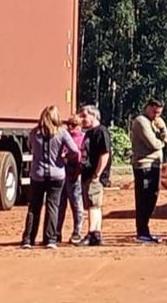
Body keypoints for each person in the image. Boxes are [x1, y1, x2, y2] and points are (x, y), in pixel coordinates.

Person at [21, 105, 79, 249]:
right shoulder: (62, 133)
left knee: (34, 207)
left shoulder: (34, 133)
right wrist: (64, 157)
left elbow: (30, 146)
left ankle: (28, 239)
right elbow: (75, 150)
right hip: (57, 174)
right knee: (53, 206)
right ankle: (50, 239)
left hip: (38, 174)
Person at [129, 99, 167, 243]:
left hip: (155, 165)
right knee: (144, 199)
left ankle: (145, 230)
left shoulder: (158, 122)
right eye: (154, 112)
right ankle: (141, 231)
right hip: (144, 165)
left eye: (159, 113)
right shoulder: (141, 121)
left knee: (152, 197)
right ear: (147, 107)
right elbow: (153, 144)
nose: (156, 115)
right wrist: (162, 142)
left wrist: (163, 130)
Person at [78, 105, 111, 246]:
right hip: (88, 174)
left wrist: (97, 174)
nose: (82, 119)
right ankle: (96, 234)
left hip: (94, 176)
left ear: (94, 116)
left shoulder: (101, 132)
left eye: (84, 116)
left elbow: (105, 154)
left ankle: (91, 234)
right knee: (94, 205)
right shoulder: (89, 133)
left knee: (93, 204)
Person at [56, 113, 87, 245]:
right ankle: (56, 233)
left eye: (73, 125)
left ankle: (77, 232)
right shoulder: (63, 137)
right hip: (62, 174)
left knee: (76, 205)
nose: (70, 127)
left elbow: (83, 155)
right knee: (59, 205)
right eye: (68, 124)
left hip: (75, 174)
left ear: (80, 126)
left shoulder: (84, 138)